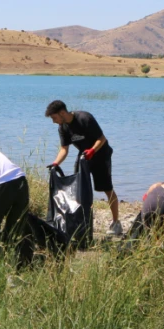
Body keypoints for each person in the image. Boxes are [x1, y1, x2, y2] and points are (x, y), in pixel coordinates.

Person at [44, 100, 122, 236]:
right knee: (77, 189)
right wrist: (56, 163)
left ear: (62, 113)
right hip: (84, 157)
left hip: (101, 155)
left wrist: (92, 150)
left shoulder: (85, 118)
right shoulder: (63, 127)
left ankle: (116, 223)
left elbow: (101, 139)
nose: (54, 121)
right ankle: (79, 223)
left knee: (107, 189)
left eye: (54, 118)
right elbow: (64, 149)